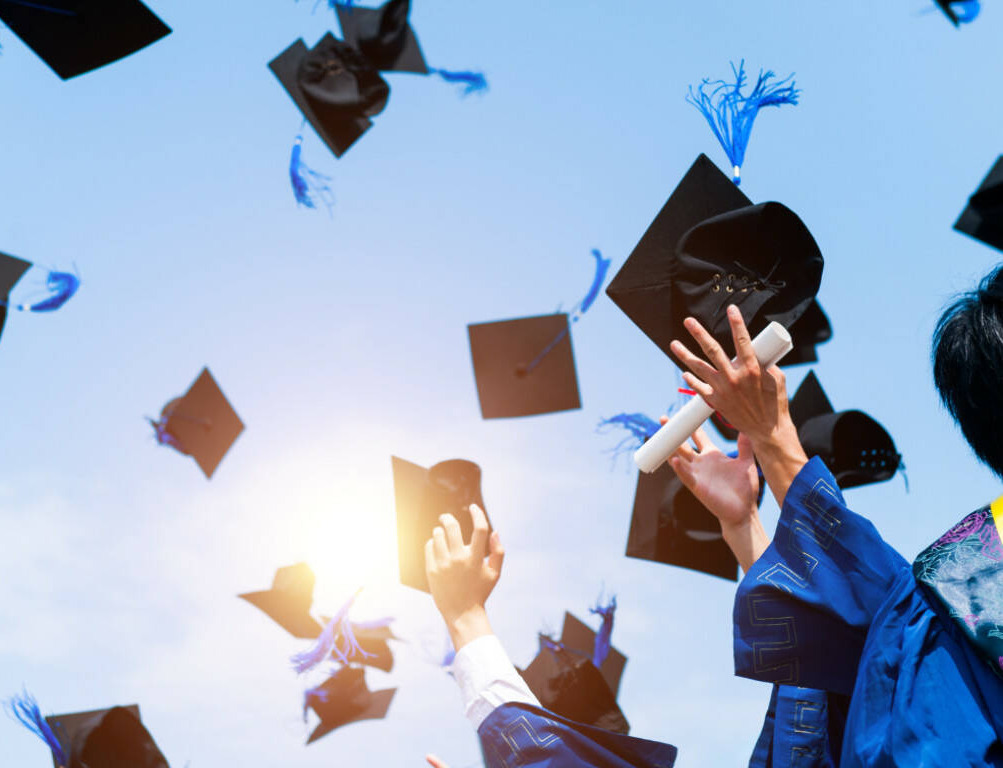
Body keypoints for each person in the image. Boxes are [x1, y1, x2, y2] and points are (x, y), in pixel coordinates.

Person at [667, 295, 1003, 766]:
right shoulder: (957, 600)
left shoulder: (953, 598)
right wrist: (746, 516)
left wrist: (773, 439)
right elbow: (863, 642)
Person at [422, 504, 679, 768]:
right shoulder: (537, 682)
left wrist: (464, 617)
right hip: (556, 738)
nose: (555, 649)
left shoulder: (581, 673)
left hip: (579, 739)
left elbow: (600, 653)